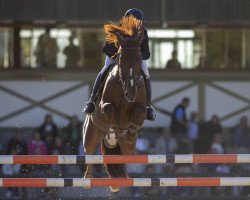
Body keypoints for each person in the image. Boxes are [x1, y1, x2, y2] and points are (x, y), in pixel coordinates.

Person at [83, 8, 156, 121]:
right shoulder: (117, 30)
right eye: (136, 22)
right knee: (105, 69)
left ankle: (148, 106)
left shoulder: (143, 32)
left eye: (139, 22)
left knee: (146, 73)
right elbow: (107, 49)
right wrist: (122, 56)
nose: (137, 25)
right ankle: (92, 101)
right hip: (116, 57)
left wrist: (134, 54)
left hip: (135, 59)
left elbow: (146, 53)